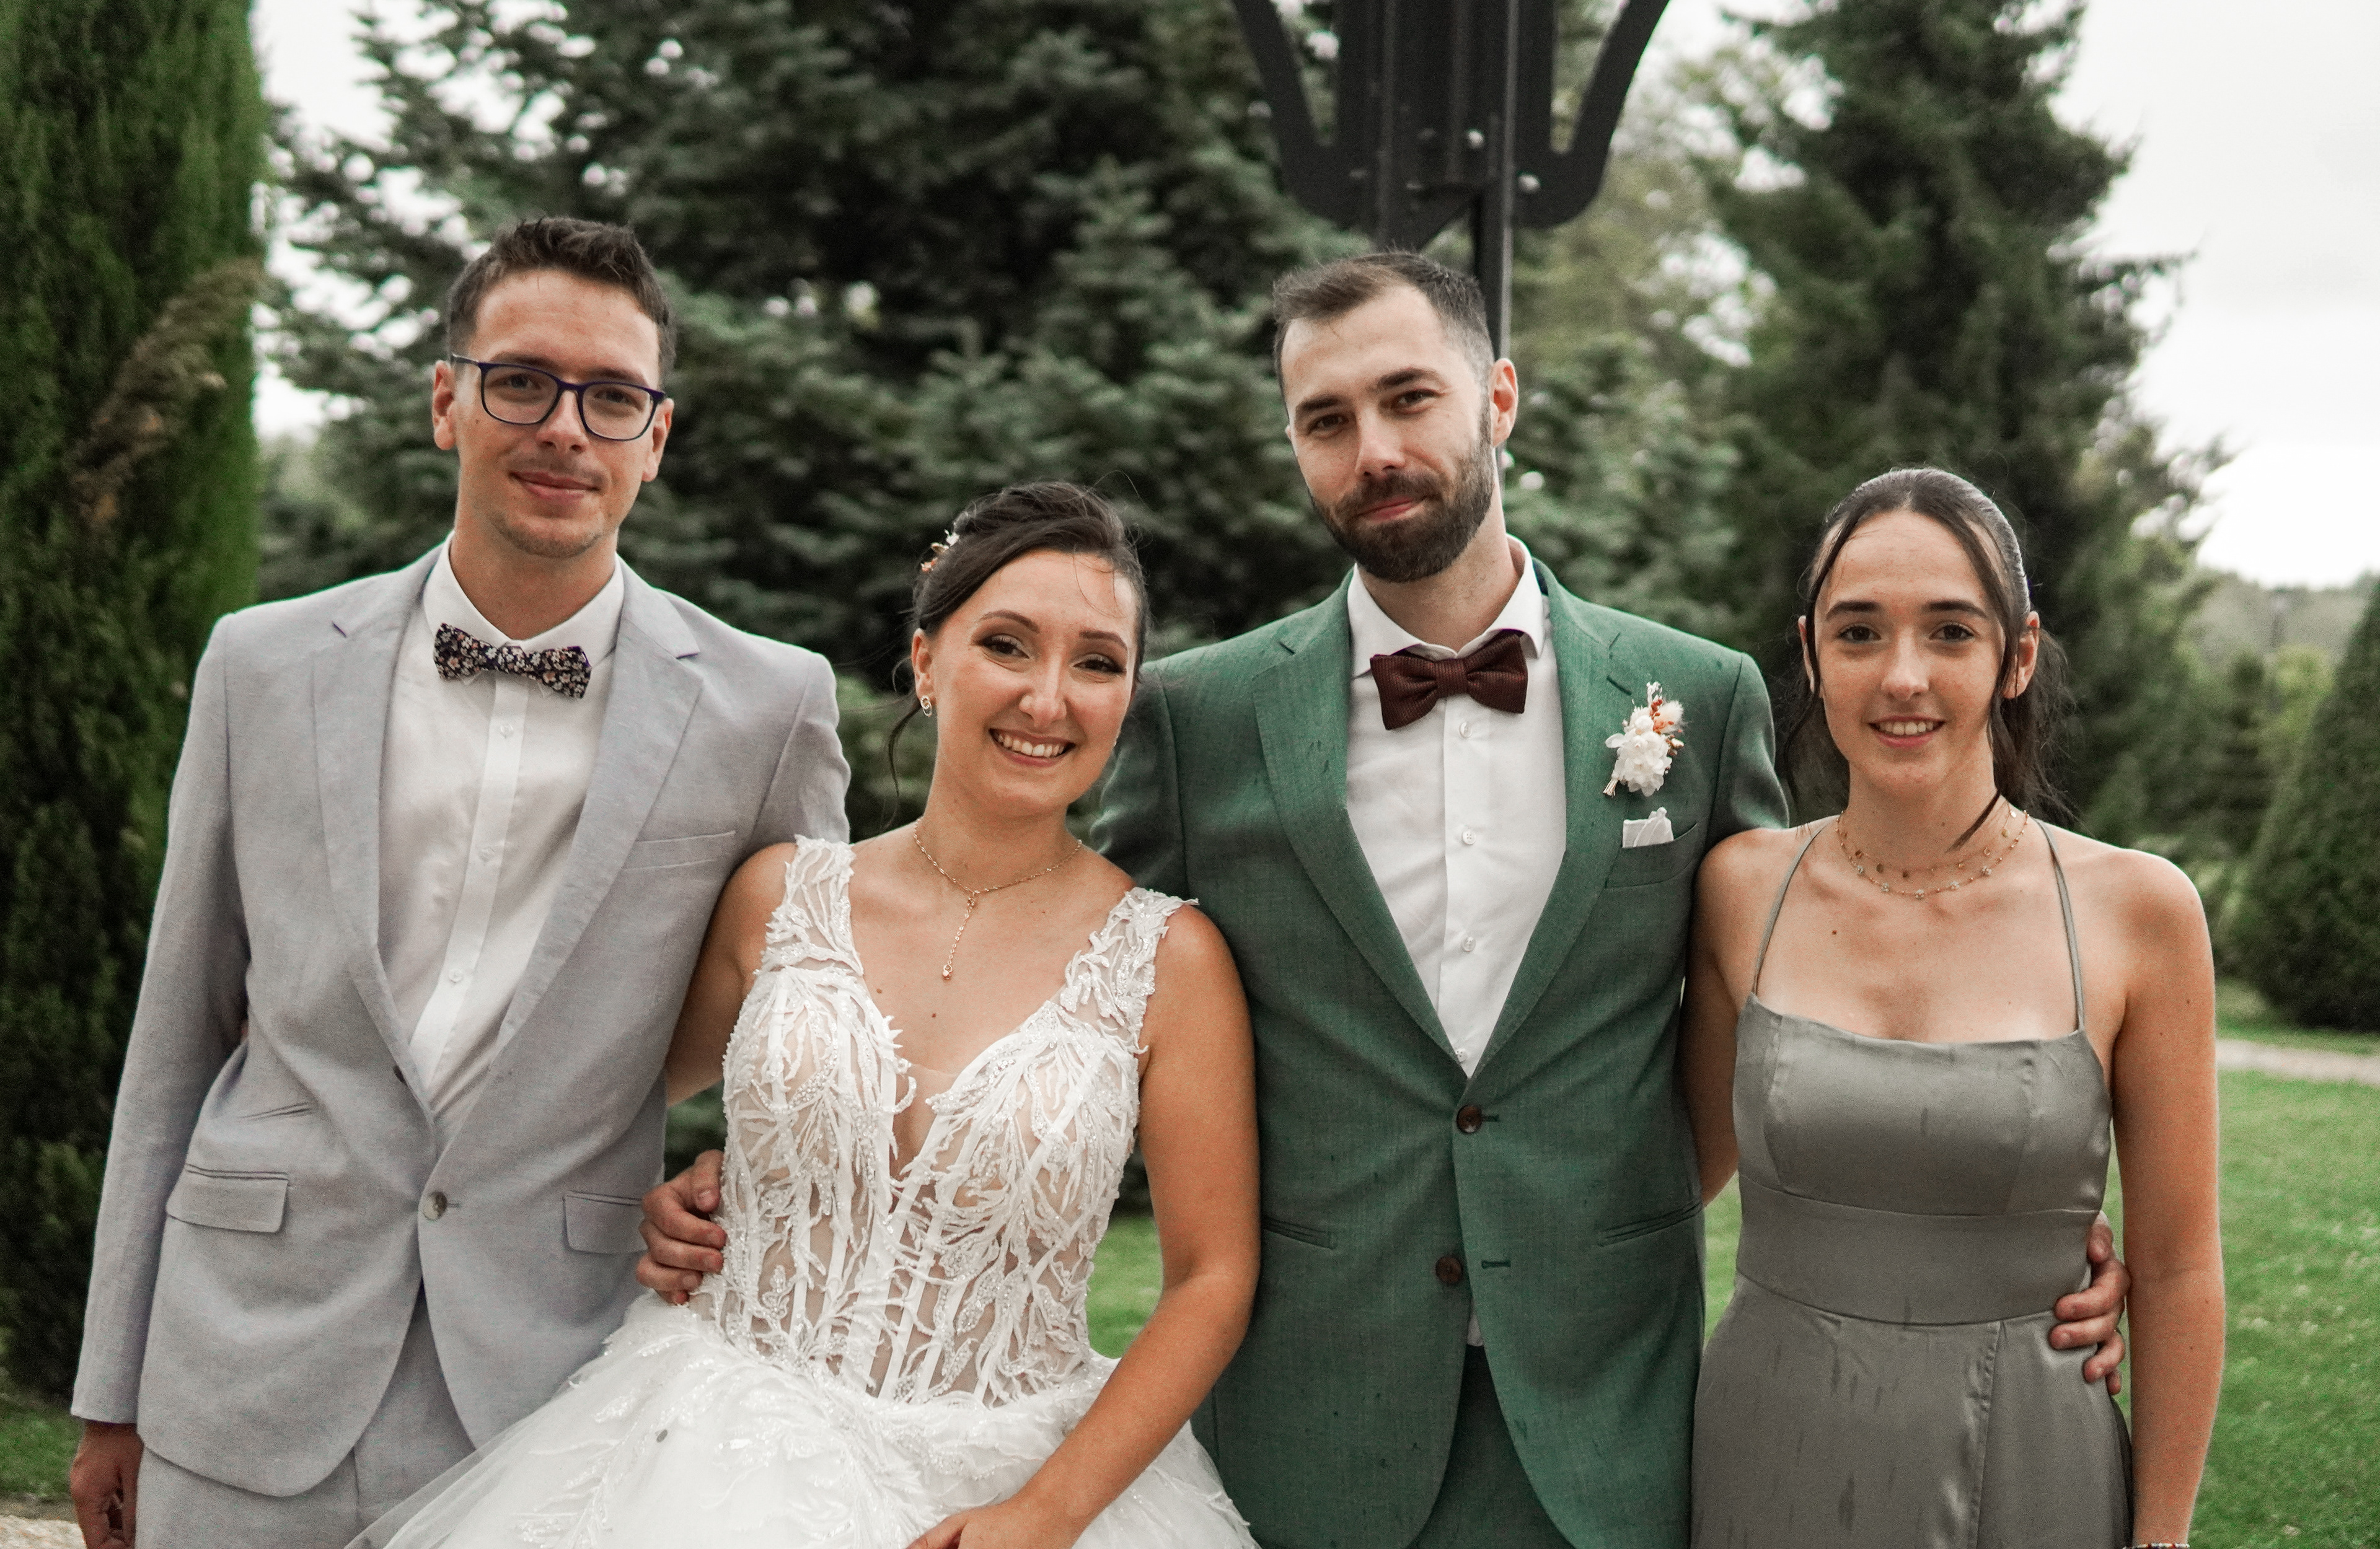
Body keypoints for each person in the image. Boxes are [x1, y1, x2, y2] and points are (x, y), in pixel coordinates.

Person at [641, 253, 2131, 1546]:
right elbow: (1055, 961)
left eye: (1410, 399)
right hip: (1312, 1411)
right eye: (1327, 420)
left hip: (1602, 1407)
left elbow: (1799, 996)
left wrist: (1972, 1221)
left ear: (1499, 398)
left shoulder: (1698, 696)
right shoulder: (1200, 715)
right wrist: (799, 1150)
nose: (1375, 449)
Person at [65, 217, 850, 1549]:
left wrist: (728, 1177)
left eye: (612, 398)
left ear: (656, 436)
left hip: (549, 1384)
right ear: (448, 402)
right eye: (522, 382)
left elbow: (815, 1040)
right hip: (240, 1363)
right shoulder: (260, 666)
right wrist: (109, 1390)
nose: (566, 429)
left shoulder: (768, 707)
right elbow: (176, 1034)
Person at [355, 482, 1262, 1548]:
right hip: (712, 1459)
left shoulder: (1171, 960)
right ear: (928, 662)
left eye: (1097, 663)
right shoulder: (778, 898)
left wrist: (1046, 1513)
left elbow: (1212, 1277)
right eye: (1006, 645)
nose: (1047, 698)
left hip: (1018, 1479)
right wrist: (678, 1195)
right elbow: (593, 1106)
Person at [1681, 468, 2224, 1548]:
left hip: (2030, 1456)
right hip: (1767, 1450)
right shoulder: (1740, 891)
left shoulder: (2139, 912)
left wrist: (2162, 1540)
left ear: (2017, 657)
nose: (1903, 677)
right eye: (1859, 633)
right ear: (1810, 655)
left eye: (1951, 632)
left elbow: (2177, 1270)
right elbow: (1665, 1181)